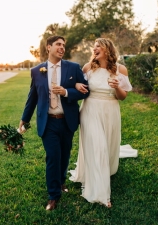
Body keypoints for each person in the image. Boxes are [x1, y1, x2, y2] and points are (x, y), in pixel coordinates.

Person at [18, 35, 89, 211]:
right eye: (58, 44)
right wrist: (24, 120)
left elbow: (85, 91)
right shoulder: (37, 71)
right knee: (53, 157)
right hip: (48, 122)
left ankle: (62, 181)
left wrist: (66, 92)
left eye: (63, 45)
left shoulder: (73, 68)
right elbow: (32, 98)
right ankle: (53, 195)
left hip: (67, 121)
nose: (62, 48)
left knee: (64, 155)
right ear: (48, 47)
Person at [69, 38, 137, 208]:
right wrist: (77, 85)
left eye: (98, 46)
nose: (95, 49)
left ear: (107, 49)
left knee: (107, 145)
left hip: (110, 112)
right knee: (97, 147)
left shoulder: (120, 69)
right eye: (94, 47)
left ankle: (105, 171)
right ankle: (100, 193)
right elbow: (77, 86)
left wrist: (116, 87)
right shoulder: (87, 68)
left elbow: (122, 97)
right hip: (90, 110)